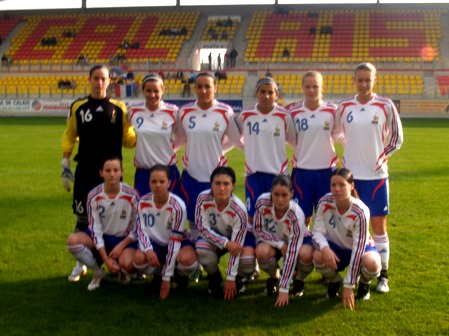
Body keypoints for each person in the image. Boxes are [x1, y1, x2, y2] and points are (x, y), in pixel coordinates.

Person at [61, 64, 136, 283]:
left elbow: (129, 138)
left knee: (113, 217)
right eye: (96, 78)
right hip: (85, 170)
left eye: (103, 79)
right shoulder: (78, 107)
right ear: (90, 80)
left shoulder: (119, 107)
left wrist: (149, 133)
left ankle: (118, 259)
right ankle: (81, 263)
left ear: (109, 81)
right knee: (83, 218)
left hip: (112, 172)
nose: (100, 82)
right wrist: (65, 162)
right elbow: (69, 135)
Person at [333, 62, 403, 293]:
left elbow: (396, 139)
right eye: (359, 79)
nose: (363, 84)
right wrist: (349, 148)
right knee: (350, 225)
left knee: (378, 226)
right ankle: (346, 270)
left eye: (368, 80)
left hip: (376, 177)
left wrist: (381, 157)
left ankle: (383, 275)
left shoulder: (385, 105)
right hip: (350, 178)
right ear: (354, 80)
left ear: (374, 80)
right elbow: (336, 133)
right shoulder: (344, 107)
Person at [177, 72, 241, 241]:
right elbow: (180, 140)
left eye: (207, 86)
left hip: (216, 177)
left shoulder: (225, 111)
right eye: (199, 86)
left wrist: (219, 150)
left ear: (215, 88)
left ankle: (218, 249)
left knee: (218, 220)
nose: (203, 90)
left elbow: (235, 140)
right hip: (191, 175)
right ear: (194, 88)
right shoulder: (185, 112)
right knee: (193, 219)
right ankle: (197, 260)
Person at [312, 168, 382, 309]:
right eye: (333, 185)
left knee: (373, 263)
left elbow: (358, 248)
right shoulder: (324, 202)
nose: (337, 189)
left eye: (342, 185)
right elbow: (317, 231)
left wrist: (349, 284)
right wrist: (325, 248)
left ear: (351, 186)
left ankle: (364, 283)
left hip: (359, 249)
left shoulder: (361, 211)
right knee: (318, 256)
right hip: (336, 249)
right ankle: (335, 281)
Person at [66, 157, 139, 290]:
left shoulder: (132, 195)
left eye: (116, 170)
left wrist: (121, 246)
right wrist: (106, 260)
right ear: (101, 173)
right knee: (73, 241)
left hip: (122, 240)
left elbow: (137, 228)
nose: (112, 174)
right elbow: (95, 229)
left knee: (129, 264)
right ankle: (98, 271)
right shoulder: (94, 195)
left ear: (122, 172)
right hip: (102, 238)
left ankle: (122, 270)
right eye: (108, 170)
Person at [236, 77, 296, 227]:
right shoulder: (245, 115)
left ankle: (278, 246)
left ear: (276, 94)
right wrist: (248, 148)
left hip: (278, 175)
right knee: (253, 215)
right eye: (263, 92)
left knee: (280, 214)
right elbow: (236, 138)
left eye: (270, 92)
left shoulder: (284, 116)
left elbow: (293, 142)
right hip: (254, 174)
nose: (266, 96)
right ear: (256, 93)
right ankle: (254, 248)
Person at [133, 165, 198, 300]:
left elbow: (175, 242)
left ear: (169, 183)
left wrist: (167, 278)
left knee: (187, 260)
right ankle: (158, 276)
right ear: (149, 183)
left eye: (162, 182)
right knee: (138, 259)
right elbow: (141, 230)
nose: (158, 185)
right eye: (154, 182)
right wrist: (148, 250)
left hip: (178, 244)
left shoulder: (177, 205)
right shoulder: (142, 202)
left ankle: (179, 275)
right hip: (155, 245)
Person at [195, 166, 255, 300]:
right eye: (217, 183)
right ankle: (214, 277)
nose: (222, 188)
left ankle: (238, 279)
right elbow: (202, 228)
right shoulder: (202, 199)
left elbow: (236, 246)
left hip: (238, 239)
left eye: (226, 184)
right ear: (211, 184)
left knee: (248, 260)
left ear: (233, 185)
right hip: (217, 238)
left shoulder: (239, 210)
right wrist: (226, 243)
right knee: (201, 249)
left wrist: (231, 277)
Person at [253, 175, 314, 307]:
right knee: (261, 252)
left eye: (284, 195)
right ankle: (275, 277)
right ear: (271, 192)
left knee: (306, 254)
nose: (280, 199)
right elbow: (258, 230)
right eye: (276, 194)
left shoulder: (296, 215)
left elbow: (292, 252)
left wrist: (284, 289)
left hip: (296, 241)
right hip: (274, 241)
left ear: (291, 194)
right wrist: (280, 245)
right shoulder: (262, 202)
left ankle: (299, 279)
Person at [289, 71, 339, 227]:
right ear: (302, 87)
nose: (311, 90)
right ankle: (304, 249)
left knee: (326, 217)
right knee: (301, 218)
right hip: (301, 172)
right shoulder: (293, 113)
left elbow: (341, 135)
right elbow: (290, 140)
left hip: (327, 172)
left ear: (322, 87)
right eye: (308, 86)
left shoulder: (333, 111)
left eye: (315, 86)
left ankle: (324, 249)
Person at [128, 74, 182, 197]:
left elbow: (181, 137)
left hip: (167, 171)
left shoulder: (173, 112)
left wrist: (169, 150)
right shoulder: (132, 112)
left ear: (163, 90)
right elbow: (125, 132)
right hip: (143, 172)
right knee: (144, 211)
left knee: (169, 211)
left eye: (156, 91)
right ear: (143, 91)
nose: (152, 95)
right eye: (148, 91)